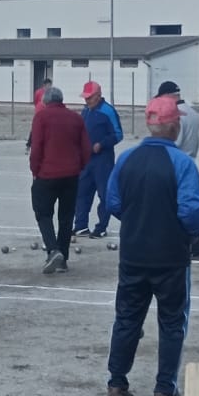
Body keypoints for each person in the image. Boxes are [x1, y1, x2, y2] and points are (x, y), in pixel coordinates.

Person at [103, 95, 199, 396]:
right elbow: (191, 213)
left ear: (150, 125)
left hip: (133, 253)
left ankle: (116, 384)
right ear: (175, 126)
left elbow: (113, 203)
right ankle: (164, 391)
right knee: (173, 322)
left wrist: (138, 220)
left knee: (127, 319)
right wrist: (188, 234)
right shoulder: (183, 164)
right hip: (170, 257)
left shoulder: (127, 159)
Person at [28, 85, 88, 274]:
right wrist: (79, 167)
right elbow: (85, 148)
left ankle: (53, 250)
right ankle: (63, 259)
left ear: (46, 101)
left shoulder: (41, 117)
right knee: (66, 217)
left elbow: (36, 147)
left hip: (47, 174)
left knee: (43, 213)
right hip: (71, 175)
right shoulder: (76, 118)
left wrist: (35, 170)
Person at [156, 81, 199, 264]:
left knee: (175, 207)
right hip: (190, 160)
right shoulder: (192, 112)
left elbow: (174, 141)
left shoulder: (178, 115)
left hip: (176, 164)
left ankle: (195, 248)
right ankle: (193, 247)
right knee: (183, 205)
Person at [74, 81, 124, 236]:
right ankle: (81, 225)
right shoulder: (85, 111)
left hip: (103, 160)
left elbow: (118, 134)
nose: (86, 100)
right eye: (85, 98)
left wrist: (101, 144)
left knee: (104, 194)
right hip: (86, 160)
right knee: (81, 192)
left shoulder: (108, 111)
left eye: (89, 98)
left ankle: (101, 227)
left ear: (98, 96)